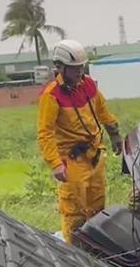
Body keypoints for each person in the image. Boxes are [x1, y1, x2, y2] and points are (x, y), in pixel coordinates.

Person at [37, 40, 123, 244]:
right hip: (71, 161)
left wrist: (114, 133)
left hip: (94, 157)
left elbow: (102, 110)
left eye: (81, 67)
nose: (79, 72)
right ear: (60, 68)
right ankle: (74, 252)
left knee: (97, 206)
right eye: (74, 68)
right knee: (74, 211)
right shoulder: (51, 95)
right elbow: (45, 133)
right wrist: (56, 164)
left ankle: (98, 247)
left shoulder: (89, 85)